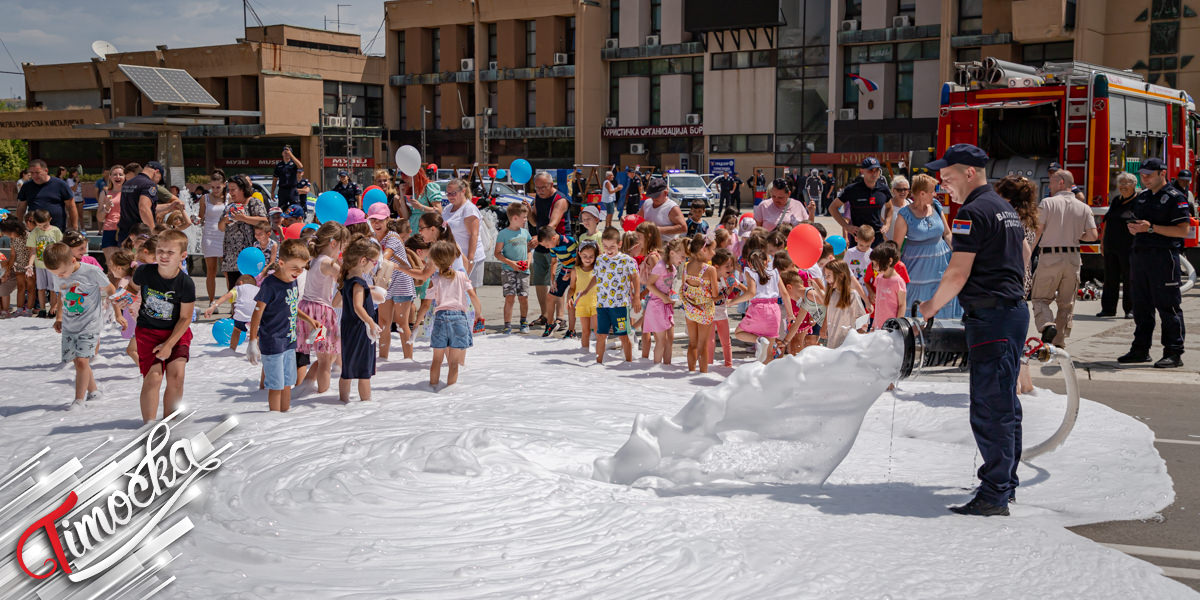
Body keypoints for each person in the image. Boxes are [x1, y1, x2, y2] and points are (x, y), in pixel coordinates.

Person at [919, 143, 1028, 516]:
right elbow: (1022, 257)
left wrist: (929, 307)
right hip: (1010, 313)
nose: (943, 183)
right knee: (1005, 405)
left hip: (992, 317)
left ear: (969, 172)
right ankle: (1004, 484)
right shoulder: (1003, 208)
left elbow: (957, 273)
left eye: (948, 176)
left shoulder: (971, 212)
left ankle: (994, 494)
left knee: (990, 408)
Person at [1118, 157, 1190, 369]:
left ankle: (1173, 352)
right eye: (1142, 175)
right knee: (1141, 306)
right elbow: (1140, 223)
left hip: (1163, 257)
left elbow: (1183, 230)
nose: (1145, 178)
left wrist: (1150, 228)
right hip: (1140, 256)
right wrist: (1135, 228)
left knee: (1168, 306)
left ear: (1162, 173)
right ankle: (1140, 349)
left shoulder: (1175, 197)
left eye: (1149, 175)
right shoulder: (1143, 197)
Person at [44, 243, 123, 410]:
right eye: (56, 274)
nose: (60, 276)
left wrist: (118, 314)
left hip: (90, 324)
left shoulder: (91, 271)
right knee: (78, 361)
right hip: (70, 324)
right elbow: (62, 295)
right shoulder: (58, 273)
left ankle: (79, 401)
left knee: (81, 360)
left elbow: (110, 289)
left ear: (73, 260)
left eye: (62, 273)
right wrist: (59, 317)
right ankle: (94, 391)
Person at [131, 230, 195, 424]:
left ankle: (170, 422)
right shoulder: (144, 272)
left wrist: (168, 345)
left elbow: (185, 318)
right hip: (148, 332)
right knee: (154, 376)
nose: (164, 256)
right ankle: (149, 425)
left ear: (183, 256)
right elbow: (131, 288)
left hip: (177, 333)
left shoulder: (185, 283)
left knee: (177, 375)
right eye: (160, 251)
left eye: (170, 252)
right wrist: (124, 299)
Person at [1030, 169, 1098, 347]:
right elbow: (1093, 236)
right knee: (1066, 303)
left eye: (1051, 182)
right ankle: (1058, 341)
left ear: (1061, 182)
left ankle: (1047, 325)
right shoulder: (1084, 207)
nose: (1049, 186)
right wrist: (1075, 235)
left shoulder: (1047, 203)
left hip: (1050, 257)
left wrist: (1027, 254)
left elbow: (1037, 231)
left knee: (1040, 298)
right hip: (1073, 258)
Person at [891, 173, 960, 319]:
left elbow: (947, 234)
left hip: (941, 264)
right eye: (932, 191)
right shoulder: (904, 215)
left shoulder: (936, 206)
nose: (935, 194)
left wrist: (959, 252)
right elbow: (896, 247)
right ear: (922, 193)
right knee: (916, 303)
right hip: (917, 269)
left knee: (941, 299)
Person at [295, 222, 348, 394]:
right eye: (342, 246)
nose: (342, 250)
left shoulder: (315, 259)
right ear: (333, 243)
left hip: (308, 310)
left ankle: (307, 384)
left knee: (326, 355)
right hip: (321, 314)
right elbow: (347, 279)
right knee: (326, 358)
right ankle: (322, 394)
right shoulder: (327, 263)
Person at [427, 240, 484, 388]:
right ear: (454, 258)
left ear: (434, 261)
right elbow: (473, 296)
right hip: (459, 319)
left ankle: (432, 388)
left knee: (436, 360)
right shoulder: (461, 276)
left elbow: (428, 300)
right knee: (453, 362)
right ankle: (450, 392)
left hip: (440, 318)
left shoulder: (435, 279)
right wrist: (478, 313)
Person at [583, 226, 640, 364]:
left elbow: (635, 277)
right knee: (601, 335)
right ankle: (598, 363)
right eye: (606, 246)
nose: (609, 250)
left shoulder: (626, 260)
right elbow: (596, 277)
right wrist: (586, 290)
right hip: (602, 305)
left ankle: (628, 363)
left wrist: (636, 296)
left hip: (620, 306)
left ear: (619, 244)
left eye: (612, 246)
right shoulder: (600, 259)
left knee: (623, 336)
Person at [730, 240, 790, 363]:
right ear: (767, 261)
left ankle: (759, 340)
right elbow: (785, 294)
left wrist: (732, 302)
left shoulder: (750, 272)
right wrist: (790, 314)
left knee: (739, 332)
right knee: (769, 352)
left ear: (749, 263)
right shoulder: (775, 272)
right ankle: (766, 372)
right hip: (774, 309)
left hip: (758, 308)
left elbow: (751, 293)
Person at [338, 236, 381, 402]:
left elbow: (336, 302)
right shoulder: (358, 283)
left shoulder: (347, 279)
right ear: (363, 260)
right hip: (360, 329)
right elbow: (357, 306)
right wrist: (371, 322)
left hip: (348, 327)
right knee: (364, 371)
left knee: (347, 369)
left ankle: (343, 401)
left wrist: (368, 290)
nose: (374, 265)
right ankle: (366, 403)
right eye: (374, 262)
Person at [530, 171, 571, 327]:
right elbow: (535, 222)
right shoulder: (538, 197)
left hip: (558, 243)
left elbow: (553, 224)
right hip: (542, 243)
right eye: (537, 188)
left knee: (558, 281)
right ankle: (545, 315)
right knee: (540, 280)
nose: (540, 191)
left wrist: (538, 238)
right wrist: (528, 212)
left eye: (543, 187)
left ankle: (560, 317)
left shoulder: (560, 200)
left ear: (551, 184)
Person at [219, 174, 269, 289]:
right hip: (232, 259)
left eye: (233, 189)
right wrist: (224, 221)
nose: (230, 193)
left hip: (250, 257)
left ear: (242, 189)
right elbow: (221, 228)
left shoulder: (254, 202)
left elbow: (264, 221)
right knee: (234, 290)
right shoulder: (230, 206)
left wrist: (244, 218)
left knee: (251, 289)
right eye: (229, 190)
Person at [1099, 172, 1138, 318]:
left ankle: (1131, 309)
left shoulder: (1139, 202)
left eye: (1126, 183)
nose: (1123, 186)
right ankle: (1108, 309)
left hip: (1129, 247)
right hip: (1111, 245)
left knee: (1130, 279)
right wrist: (1102, 242)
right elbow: (1107, 221)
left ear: (1134, 185)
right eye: (1121, 183)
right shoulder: (1116, 200)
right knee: (1110, 278)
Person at [830, 157, 890, 247]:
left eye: (876, 170)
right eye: (870, 170)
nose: (874, 173)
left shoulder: (883, 189)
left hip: (877, 237)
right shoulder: (852, 189)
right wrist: (846, 226)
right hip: (858, 238)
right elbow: (832, 208)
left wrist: (887, 224)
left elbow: (889, 207)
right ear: (862, 171)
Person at [643, 238, 683, 364]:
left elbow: (668, 286)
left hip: (665, 305)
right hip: (656, 305)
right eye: (682, 256)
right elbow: (649, 284)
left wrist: (671, 296)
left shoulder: (673, 268)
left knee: (670, 338)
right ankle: (656, 367)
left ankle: (666, 366)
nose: (683, 260)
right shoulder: (660, 266)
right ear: (672, 253)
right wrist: (663, 297)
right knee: (661, 340)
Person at [682, 235, 719, 372]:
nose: (714, 253)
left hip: (690, 309)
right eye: (712, 249)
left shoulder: (686, 266)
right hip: (705, 310)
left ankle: (691, 370)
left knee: (692, 343)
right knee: (703, 345)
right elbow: (715, 294)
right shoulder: (710, 270)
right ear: (704, 250)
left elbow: (684, 287)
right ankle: (703, 374)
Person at [442, 179, 487, 289]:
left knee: (469, 292)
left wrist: (470, 261)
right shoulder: (447, 209)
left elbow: (474, 235)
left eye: (453, 193)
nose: (450, 196)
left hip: (469, 257)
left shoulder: (469, 209)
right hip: (454, 257)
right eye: (448, 193)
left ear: (463, 191)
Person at [496, 203, 532, 334]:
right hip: (508, 270)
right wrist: (510, 263)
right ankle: (507, 325)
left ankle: (524, 321)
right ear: (515, 218)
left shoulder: (525, 233)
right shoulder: (503, 234)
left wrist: (528, 261)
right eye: (524, 217)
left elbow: (529, 250)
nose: (526, 220)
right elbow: (497, 253)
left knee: (523, 297)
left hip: (524, 271)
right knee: (509, 297)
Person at [537, 226, 579, 337]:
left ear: (553, 238)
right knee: (550, 296)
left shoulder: (569, 242)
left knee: (570, 299)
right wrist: (553, 279)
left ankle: (571, 330)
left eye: (546, 245)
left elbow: (578, 260)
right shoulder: (553, 245)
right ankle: (550, 325)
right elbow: (554, 262)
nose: (547, 247)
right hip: (564, 270)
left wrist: (570, 274)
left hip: (576, 271)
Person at [16, 159, 77, 234]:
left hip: (57, 230)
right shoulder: (27, 186)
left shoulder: (60, 184)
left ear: (46, 171)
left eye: (37, 172)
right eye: (32, 173)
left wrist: (74, 227)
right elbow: (21, 207)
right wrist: (19, 227)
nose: (34, 176)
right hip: (35, 231)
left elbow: (71, 206)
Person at [117, 160, 169, 244]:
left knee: (126, 253)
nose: (157, 182)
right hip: (141, 235)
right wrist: (153, 232)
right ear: (156, 172)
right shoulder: (149, 184)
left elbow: (138, 206)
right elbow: (144, 208)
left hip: (125, 234)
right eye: (159, 179)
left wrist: (170, 206)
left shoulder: (127, 184)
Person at [203, 274, 259, 350]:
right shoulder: (258, 289)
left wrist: (213, 306)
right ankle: (257, 350)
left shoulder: (238, 288)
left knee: (237, 330)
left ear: (241, 283)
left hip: (241, 314)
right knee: (256, 332)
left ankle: (232, 349)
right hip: (256, 315)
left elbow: (225, 297)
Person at [820, 259, 866, 348]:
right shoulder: (832, 294)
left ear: (841, 275)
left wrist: (858, 340)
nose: (826, 279)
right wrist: (824, 327)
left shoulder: (852, 295)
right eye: (825, 275)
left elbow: (862, 319)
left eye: (829, 275)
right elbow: (829, 312)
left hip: (847, 344)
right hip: (832, 342)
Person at [197, 169, 227, 304]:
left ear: (224, 185)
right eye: (213, 187)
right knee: (211, 271)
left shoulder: (229, 198)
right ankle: (211, 301)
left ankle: (232, 303)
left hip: (225, 237)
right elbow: (201, 217)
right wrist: (196, 219)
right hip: (209, 236)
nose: (215, 190)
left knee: (227, 271)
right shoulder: (205, 198)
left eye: (218, 187)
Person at [27, 209, 64, 318]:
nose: (42, 227)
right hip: (40, 265)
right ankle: (42, 309)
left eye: (45, 225)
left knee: (53, 289)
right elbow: (33, 251)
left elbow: (61, 247)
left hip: (53, 266)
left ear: (50, 219)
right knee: (41, 288)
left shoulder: (55, 231)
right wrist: (30, 265)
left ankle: (53, 309)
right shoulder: (35, 232)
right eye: (39, 225)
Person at [708, 248, 740, 367]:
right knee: (710, 342)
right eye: (727, 266)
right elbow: (710, 298)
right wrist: (726, 294)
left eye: (732, 265)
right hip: (709, 315)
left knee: (726, 342)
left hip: (722, 315)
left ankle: (728, 364)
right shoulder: (709, 279)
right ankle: (709, 365)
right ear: (716, 267)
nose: (730, 269)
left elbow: (745, 289)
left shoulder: (729, 279)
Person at [568, 241, 600, 349]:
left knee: (598, 330)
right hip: (581, 304)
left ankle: (600, 353)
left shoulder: (598, 269)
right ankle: (584, 352)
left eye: (591, 256)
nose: (588, 259)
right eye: (585, 256)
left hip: (596, 303)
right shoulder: (575, 270)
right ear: (579, 254)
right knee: (585, 331)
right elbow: (572, 288)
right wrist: (569, 298)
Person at [869, 244, 906, 331]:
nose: (874, 267)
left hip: (891, 328)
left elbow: (902, 305)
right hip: (878, 327)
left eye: (876, 264)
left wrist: (897, 326)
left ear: (890, 261)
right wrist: (874, 324)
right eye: (873, 263)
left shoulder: (898, 282)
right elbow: (879, 304)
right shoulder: (879, 278)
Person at [0, 218, 32, 316]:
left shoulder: (28, 236)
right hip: (18, 266)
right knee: (21, 288)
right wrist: (8, 270)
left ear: (16, 229)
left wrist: (30, 266)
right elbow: (13, 255)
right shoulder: (13, 239)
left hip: (29, 267)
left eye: (9, 234)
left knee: (30, 288)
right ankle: (19, 309)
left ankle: (29, 309)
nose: (9, 236)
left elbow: (31, 252)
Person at [639, 177, 687, 241]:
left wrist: (658, 230)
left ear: (665, 193)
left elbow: (683, 228)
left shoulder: (672, 207)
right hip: (648, 243)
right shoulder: (647, 203)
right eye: (652, 196)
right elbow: (638, 219)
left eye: (656, 196)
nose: (654, 198)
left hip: (665, 244)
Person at [97, 165, 125, 265]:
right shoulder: (105, 193)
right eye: (115, 174)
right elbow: (99, 218)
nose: (118, 177)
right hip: (110, 230)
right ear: (110, 177)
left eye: (120, 174)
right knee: (111, 266)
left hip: (125, 231)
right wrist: (106, 208)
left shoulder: (129, 192)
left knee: (125, 267)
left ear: (125, 177)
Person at [271, 147, 303, 212]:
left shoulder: (294, 164)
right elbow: (275, 179)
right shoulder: (279, 165)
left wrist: (291, 155)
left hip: (292, 189)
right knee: (282, 208)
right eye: (285, 152)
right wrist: (272, 192)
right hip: (282, 190)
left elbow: (300, 166)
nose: (286, 154)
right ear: (282, 153)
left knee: (295, 208)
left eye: (288, 153)